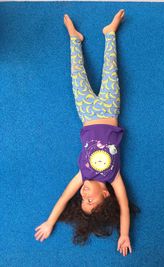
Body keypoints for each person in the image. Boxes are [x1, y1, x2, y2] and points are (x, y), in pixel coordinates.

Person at [34, 9, 140, 256]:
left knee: (77, 76)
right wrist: (124, 234)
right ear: (105, 194)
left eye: (83, 201)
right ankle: (109, 33)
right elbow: (124, 207)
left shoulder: (83, 174)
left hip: (87, 115)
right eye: (91, 201)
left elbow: (63, 198)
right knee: (111, 71)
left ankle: (74, 39)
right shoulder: (114, 177)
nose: (84, 197)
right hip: (110, 110)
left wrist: (51, 222)